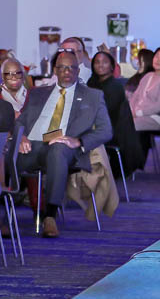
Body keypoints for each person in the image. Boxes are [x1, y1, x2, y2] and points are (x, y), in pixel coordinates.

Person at [15, 50, 113, 238]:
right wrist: (21, 137)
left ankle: (50, 216)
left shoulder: (93, 96)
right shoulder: (38, 93)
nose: (67, 71)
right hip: (32, 144)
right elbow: (20, 121)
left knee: (58, 149)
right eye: (62, 67)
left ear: (78, 71)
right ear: (55, 70)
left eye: (72, 68)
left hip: (64, 148)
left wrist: (79, 141)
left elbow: (106, 130)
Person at [89, 50, 144, 179]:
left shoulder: (115, 87)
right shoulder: (92, 83)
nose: (100, 65)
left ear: (112, 66)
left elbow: (105, 113)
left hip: (112, 131)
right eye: (97, 62)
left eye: (104, 62)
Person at [129, 47, 160, 140]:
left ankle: (133, 154)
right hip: (136, 116)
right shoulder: (147, 76)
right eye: (156, 56)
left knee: (127, 126)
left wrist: (139, 113)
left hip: (153, 118)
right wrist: (131, 111)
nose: (158, 60)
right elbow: (135, 97)